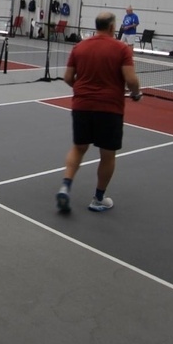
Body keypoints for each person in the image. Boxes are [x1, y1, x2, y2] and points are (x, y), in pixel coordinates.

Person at [56, 12, 142, 213]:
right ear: (112, 27)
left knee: (78, 148)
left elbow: (68, 77)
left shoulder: (79, 47)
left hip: (82, 106)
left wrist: (82, 89)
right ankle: (98, 199)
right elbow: (131, 80)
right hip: (109, 108)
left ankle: (65, 187)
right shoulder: (121, 48)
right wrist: (136, 94)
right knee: (107, 154)